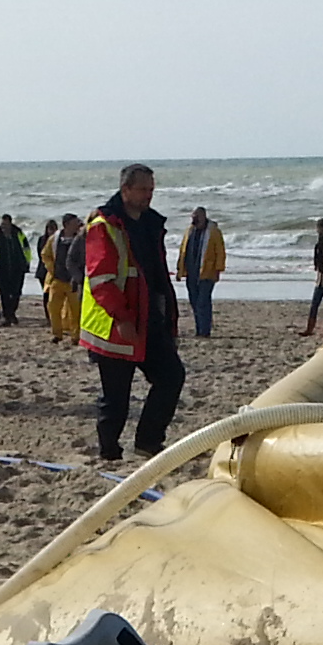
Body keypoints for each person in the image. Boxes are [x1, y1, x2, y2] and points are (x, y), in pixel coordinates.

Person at [81, 162, 184, 462]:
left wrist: (169, 319)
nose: (149, 195)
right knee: (116, 399)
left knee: (172, 376)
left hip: (149, 318)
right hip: (114, 326)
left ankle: (148, 443)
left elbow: (157, 277)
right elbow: (101, 280)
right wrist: (121, 317)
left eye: (151, 189)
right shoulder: (104, 226)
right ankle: (109, 453)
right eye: (143, 189)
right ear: (125, 189)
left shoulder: (151, 223)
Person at [179, 206, 223, 338]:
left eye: (196, 217)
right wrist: (179, 269)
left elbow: (220, 251)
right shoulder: (189, 231)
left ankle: (205, 331)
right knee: (194, 301)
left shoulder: (213, 232)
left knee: (203, 302)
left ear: (203, 217)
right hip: (191, 272)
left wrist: (218, 269)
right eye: (193, 217)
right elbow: (183, 250)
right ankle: (199, 329)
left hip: (207, 272)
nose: (194, 219)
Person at [44, 213, 86, 344]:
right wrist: (52, 269)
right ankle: (57, 334)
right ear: (67, 224)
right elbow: (45, 255)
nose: (77, 224)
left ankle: (76, 336)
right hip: (57, 279)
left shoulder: (80, 239)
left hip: (73, 281)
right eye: (74, 222)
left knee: (76, 310)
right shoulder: (54, 239)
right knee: (53, 307)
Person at [0, 214, 30, 326]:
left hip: (18, 266)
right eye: (2, 224)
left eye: (6, 224)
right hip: (0, 268)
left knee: (16, 292)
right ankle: (8, 315)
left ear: (10, 223)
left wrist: (27, 262)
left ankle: (11, 312)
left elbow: (26, 248)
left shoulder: (18, 233)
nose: (4, 226)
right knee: (4, 293)